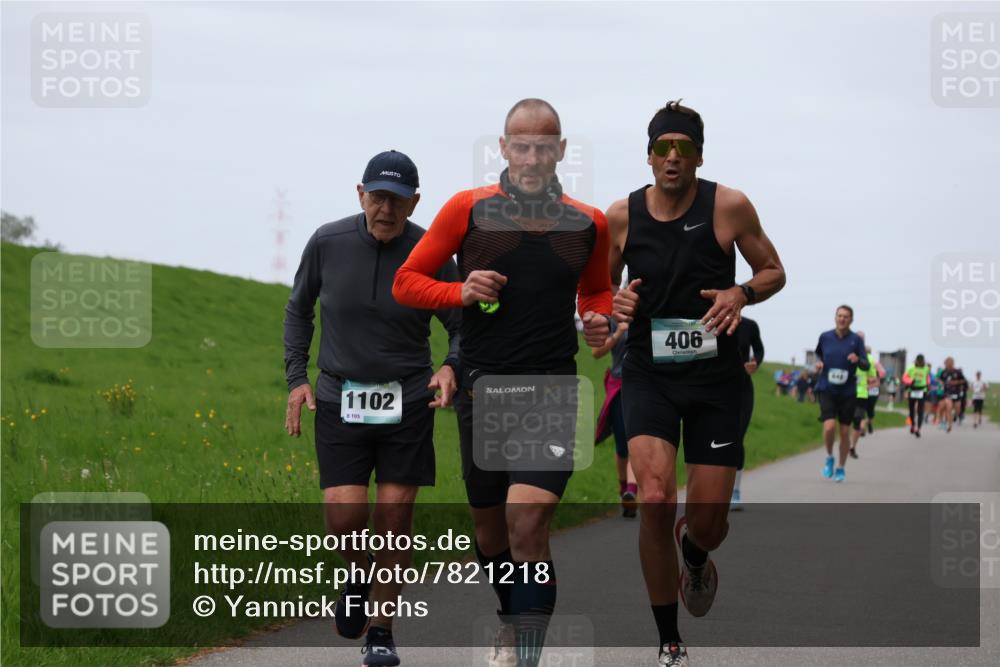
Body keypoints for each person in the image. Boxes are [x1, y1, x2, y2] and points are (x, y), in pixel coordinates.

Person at [393, 99, 613, 667]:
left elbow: (595, 293)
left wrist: (598, 320)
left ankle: (527, 649)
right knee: (490, 536)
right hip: (482, 390)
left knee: (527, 523)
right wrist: (460, 291)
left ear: (562, 150)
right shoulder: (467, 211)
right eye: (523, 145)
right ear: (503, 147)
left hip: (550, 389)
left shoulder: (588, 222)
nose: (534, 156)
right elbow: (407, 282)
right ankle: (510, 623)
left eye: (546, 146)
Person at [608, 100, 786, 667]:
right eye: (664, 147)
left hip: (715, 381)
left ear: (699, 155)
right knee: (655, 496)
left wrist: (742, 293)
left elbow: (774, 269)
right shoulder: (620, 217)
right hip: (648, 376)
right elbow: (594, 295)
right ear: (649, 155)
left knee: (708, 522)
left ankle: (695, 551)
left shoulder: (729, 206)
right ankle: (669, 639)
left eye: (684, 148)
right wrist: (614, 305)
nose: (673, 158)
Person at [283, 150, 461, 667]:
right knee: (344, 517)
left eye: (398, 200)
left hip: (407, 400)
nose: (386, 208)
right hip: (340, 398)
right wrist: (297, 380)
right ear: (359, 194)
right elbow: (299, 310)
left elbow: (462, 322)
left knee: (394, 517)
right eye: (377, 196)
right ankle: (358, 575)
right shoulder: (327, 242)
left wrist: (450, 366)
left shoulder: (430, 249)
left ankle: (381, 631)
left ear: (414, 203)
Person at [813, 305, 869, 483]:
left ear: (851, 320)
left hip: (848, 392)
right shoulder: (825, 337)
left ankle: (841, 468)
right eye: (839, 316)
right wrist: (820, 363)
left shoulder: (856, 340)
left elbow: (866, 365)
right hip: (827, 388)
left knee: (845, 432)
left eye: (846, 316)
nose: (842, 319)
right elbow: (819, 356)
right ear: (835, 317)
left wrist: (858, 360)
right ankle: (829, 457)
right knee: (829, 427)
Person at [593, 307, 637, 518]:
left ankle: (632, 490)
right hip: (619, 386)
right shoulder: (613, 320)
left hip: (644, 387)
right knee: (622, 446)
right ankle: (624, 491)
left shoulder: (649, 318)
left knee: (635, 442)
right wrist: (618, 333)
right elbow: (596, 352)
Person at [731, 316, 764, 510]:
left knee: (736, 439)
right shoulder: (708, 321)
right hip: (715, 388)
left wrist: (755, 362)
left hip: (742, 389)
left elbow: (759, 349)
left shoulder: (750, 326)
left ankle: (735, 491)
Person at [903, 354, 930, 437]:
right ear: (916, 361)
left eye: (922, 362)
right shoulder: (911, 368)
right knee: (911, 410)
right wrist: (911, 381)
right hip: (912, 389)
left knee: (920, 410)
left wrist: (928, 385)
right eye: (919, 362)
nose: (920, 363)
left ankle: (918, 429)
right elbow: (904, 377)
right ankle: (912, 425)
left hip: (922, 390)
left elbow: (927, 379)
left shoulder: (926, 368)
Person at [938, 357, 966, 434]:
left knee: (958, 409)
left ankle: (955, 416)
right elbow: (940, 379)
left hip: (956, 393)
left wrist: (956, 382)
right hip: (947, 393)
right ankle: (949, 426)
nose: (947, 365)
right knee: (949, 407)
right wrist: (941, 383)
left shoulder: (957, 372)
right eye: (946, 364)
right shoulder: (944, 372)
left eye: (949, 363)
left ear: (952, 363)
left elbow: (963, 380)